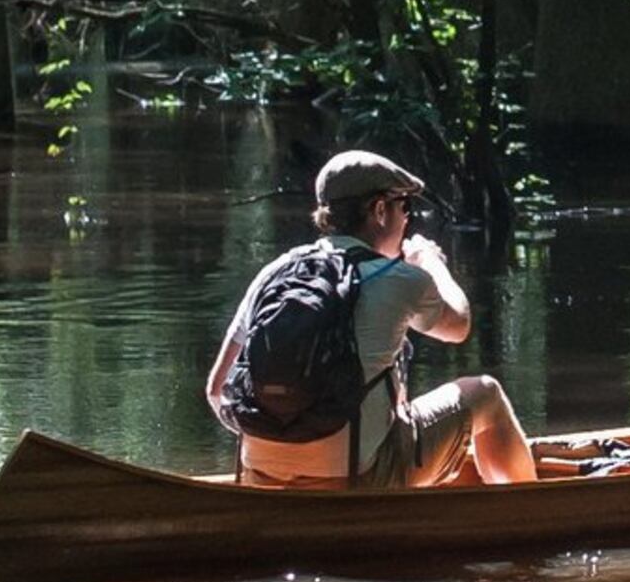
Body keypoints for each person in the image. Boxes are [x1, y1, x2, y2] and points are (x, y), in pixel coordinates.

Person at [203, 149, 537, 488]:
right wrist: (430, 262)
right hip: (359, 478)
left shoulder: (276, 272)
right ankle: (527, 511)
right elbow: (460, 325)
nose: (408, 219)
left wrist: (285, 445)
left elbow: (217, 390)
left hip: (259, 478)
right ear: (379, 210)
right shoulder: (402, 279)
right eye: (405, 206)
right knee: (485, 393)